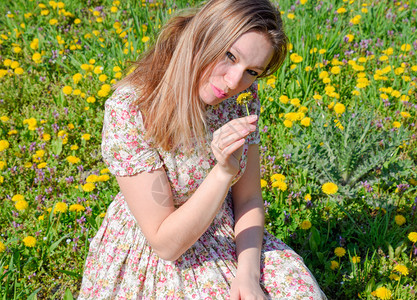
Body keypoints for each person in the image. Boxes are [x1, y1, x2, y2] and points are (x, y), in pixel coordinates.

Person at [79, 0, 327, 299]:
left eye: (252, 71)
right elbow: (165, 244)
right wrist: (223, 172)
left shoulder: (241, 98)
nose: (235, 82)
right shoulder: (132, 108)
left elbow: (247, 198)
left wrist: (247, 275)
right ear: (201, 37)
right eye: (229, 56)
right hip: (158, 248)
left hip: (226, 231)